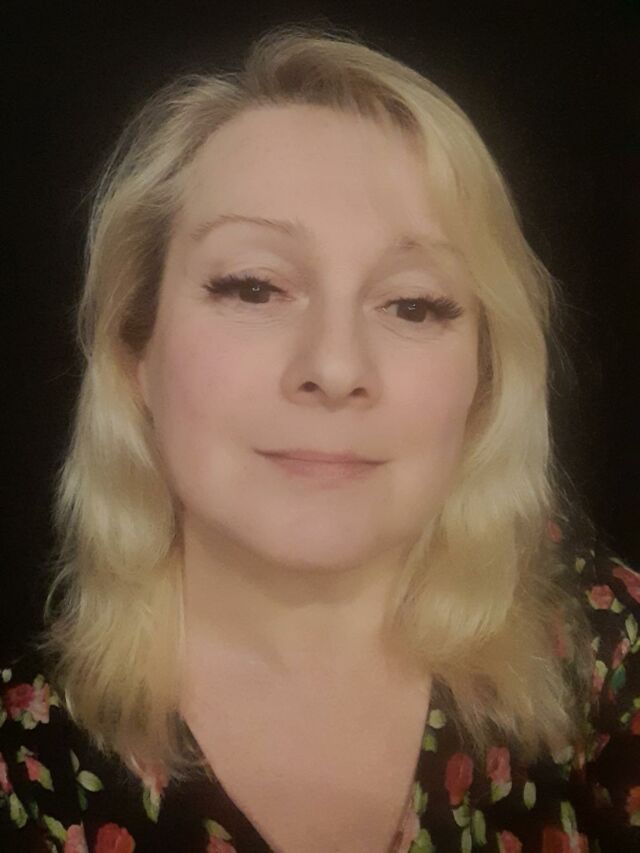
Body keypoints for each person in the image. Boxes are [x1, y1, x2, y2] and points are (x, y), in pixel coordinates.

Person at [1, 21, 638, 853]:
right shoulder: (23, 766)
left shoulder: (608, 651)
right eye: (253, 287)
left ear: (484, 381)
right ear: (134, 354)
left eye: (413, 304)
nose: (335, 368)